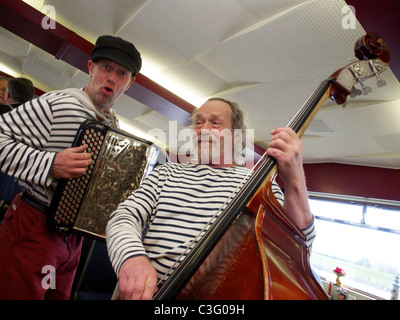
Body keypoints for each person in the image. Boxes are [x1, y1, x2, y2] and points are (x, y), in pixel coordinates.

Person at [106, 97, 316, 300]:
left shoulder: (258, 185)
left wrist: (294, 177)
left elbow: (297, 244)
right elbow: (123, 217)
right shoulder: (166, 173)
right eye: (199, 123)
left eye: (215, 123)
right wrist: (132, 259)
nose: (204, 129)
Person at [0, 35, 142, 300]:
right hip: (34, 224)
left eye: (121, 73)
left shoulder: (113, 127)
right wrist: (50, 164)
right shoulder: (59, 104)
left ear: (130, 83)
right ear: (91, 68)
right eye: (106, 68)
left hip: (73, 240)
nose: (111, 77)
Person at [0, 77, 34, 215]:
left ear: (8, 94)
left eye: (3, 89)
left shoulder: (5, 116)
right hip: (11, 192)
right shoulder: (35, 123)